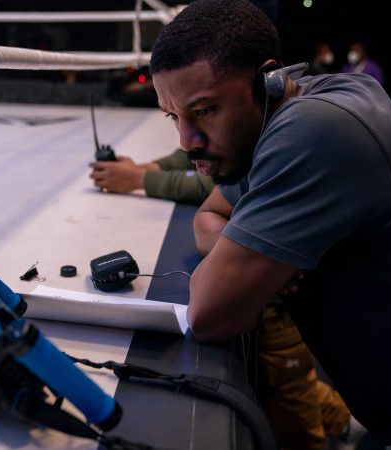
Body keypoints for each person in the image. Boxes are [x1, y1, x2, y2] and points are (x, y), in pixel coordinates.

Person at [149, 1, 391, 449]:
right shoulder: (287, 108)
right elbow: (212, 212)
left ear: (269, 80)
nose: (187, 142)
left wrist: (246, 263)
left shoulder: (314, 129)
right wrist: (245, 250)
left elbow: (209, 314)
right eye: (174, 117)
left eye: (204, 111)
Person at [90, 148, 358, 449]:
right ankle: (344, 421)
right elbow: (196, 155)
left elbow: (211, 182)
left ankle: (339, 429)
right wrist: (146, 167)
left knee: (291, 401)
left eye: (202, 110)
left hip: (282, 304)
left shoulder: (283, 141)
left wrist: (142, 177)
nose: (188, 136)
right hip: (273, 301)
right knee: (283, 383)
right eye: (175, 117)